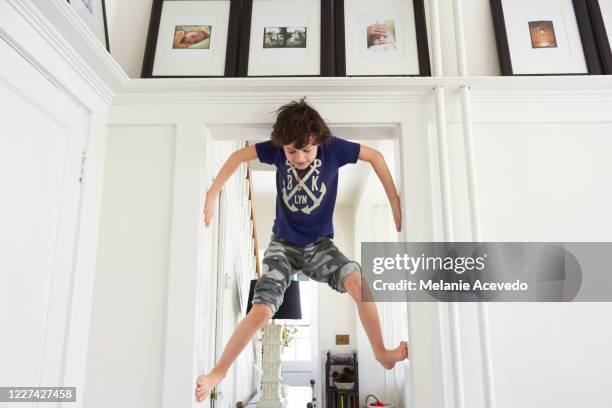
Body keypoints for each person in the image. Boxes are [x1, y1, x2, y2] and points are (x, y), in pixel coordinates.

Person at [195, 98, 408, 402]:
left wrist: (394, 201)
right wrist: (213, 191)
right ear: (282, 145)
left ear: (318, 142)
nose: (299, 158)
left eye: (307, 150)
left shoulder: (334, 148)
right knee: (262, 310)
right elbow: (238, 156)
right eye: (291, 151)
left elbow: (374, 156)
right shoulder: (274, 150)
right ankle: (219, 371)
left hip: (320, 245)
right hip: (282, 245)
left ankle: (381, 353)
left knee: (357, 281)